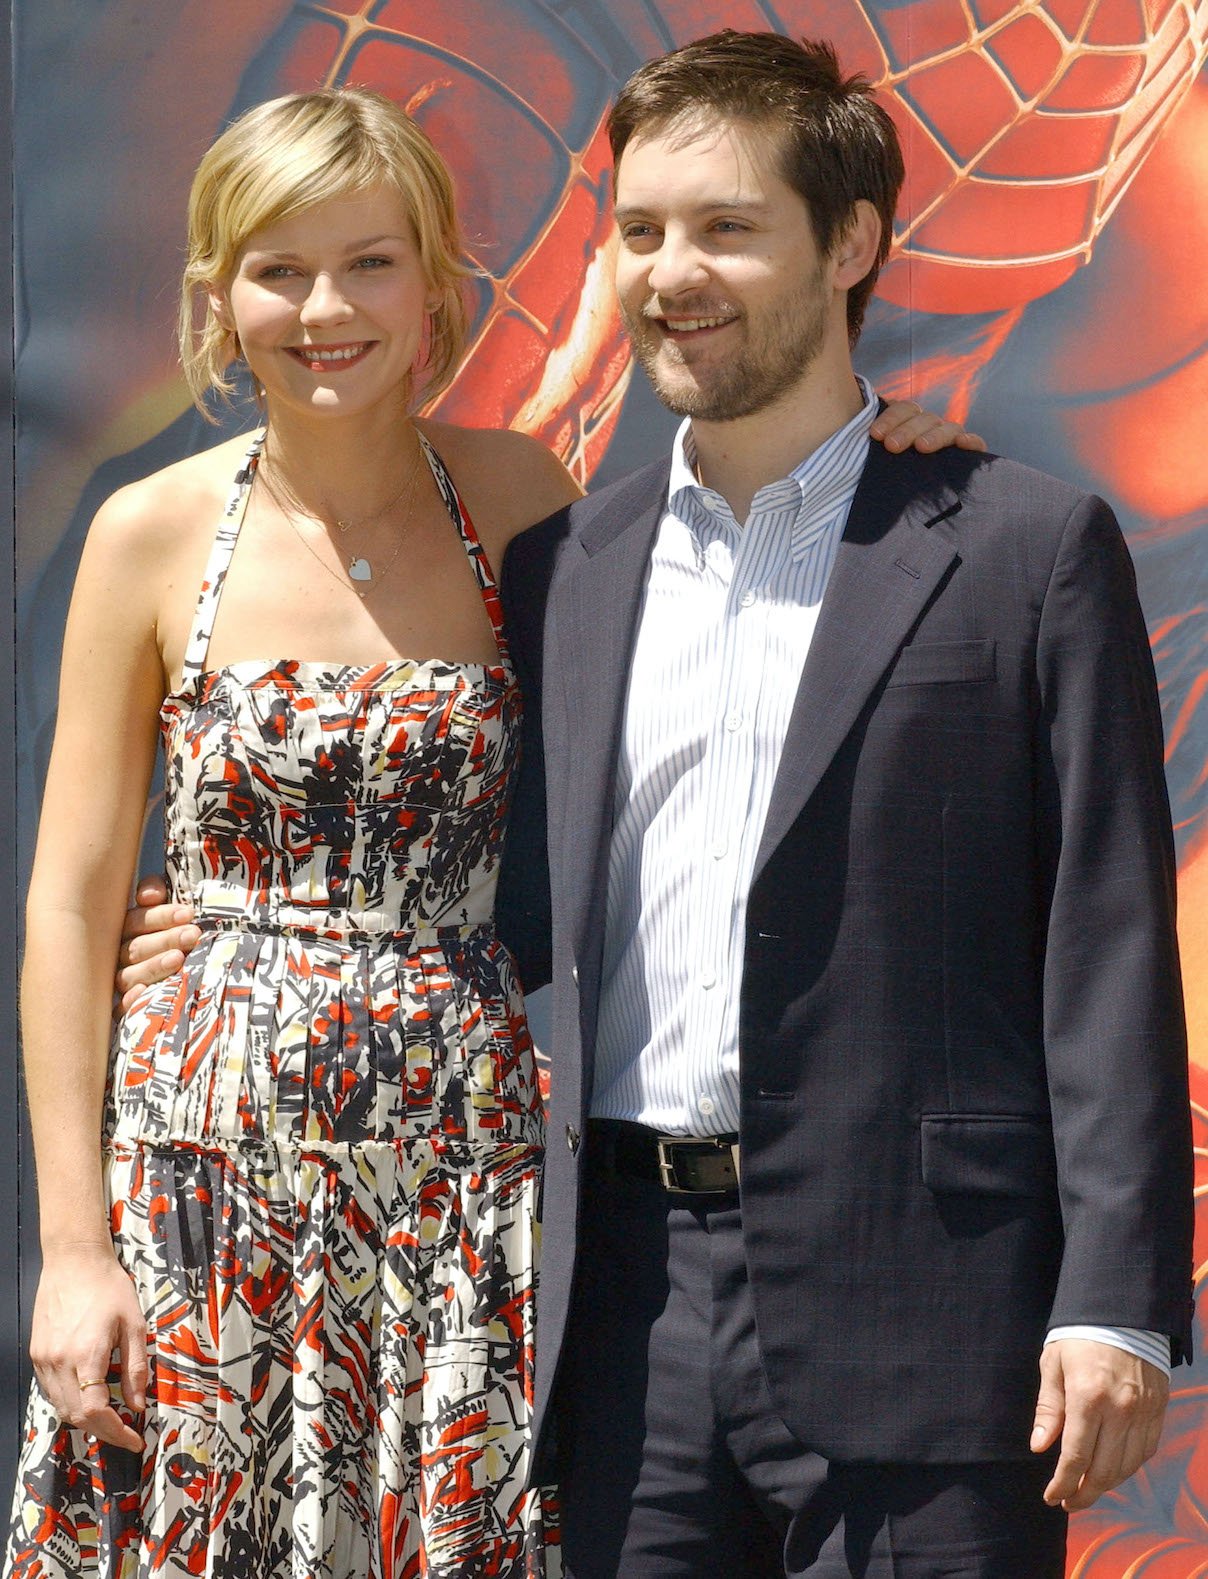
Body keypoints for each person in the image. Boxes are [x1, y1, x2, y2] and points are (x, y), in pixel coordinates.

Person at [10, 76, 966, 1579]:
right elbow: (69, 904)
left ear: (435, 284)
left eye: (369, 262)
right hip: (209, 1175)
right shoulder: (149, 535)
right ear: (219, 296)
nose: (326, 309)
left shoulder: (523, 501)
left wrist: (874, 451)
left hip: (468, 1181)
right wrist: (73, 1253)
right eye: (279, 269)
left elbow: (716, 641)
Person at [493, 30, 1194, 1579]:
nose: (670, 272)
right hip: (628, 1328)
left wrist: (1115, 1298)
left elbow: (1108, 943)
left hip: (936, 1319)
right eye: (641, 230)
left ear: (852, 242)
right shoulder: (567, 570)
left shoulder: (1023, 548)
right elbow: (508, 917)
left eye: (726, 228)